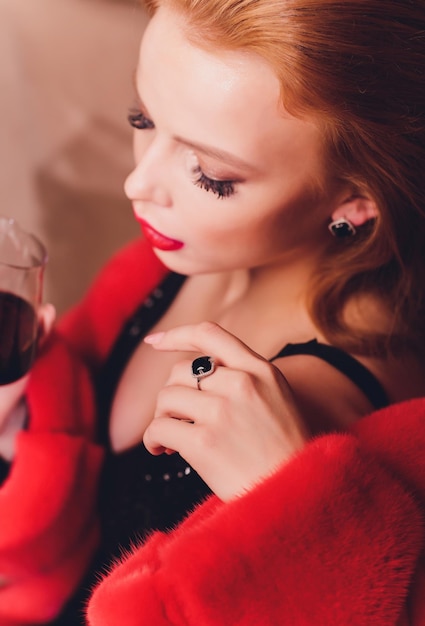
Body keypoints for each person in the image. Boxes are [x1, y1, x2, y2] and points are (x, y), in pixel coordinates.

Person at [2, 0, 425, 623]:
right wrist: (22, 422)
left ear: (355, 201)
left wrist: (292, 514)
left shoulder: (330, 403)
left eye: (210, 174)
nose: (137, 183)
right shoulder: (175, 266)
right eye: (142, 117)